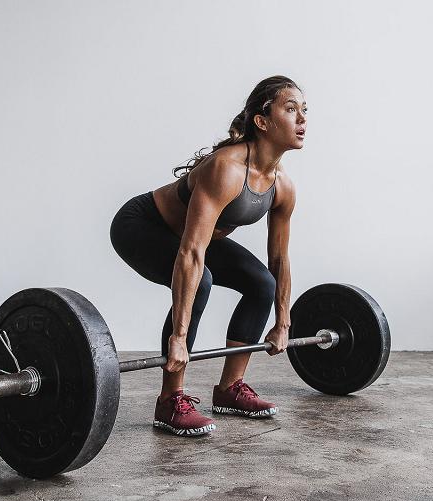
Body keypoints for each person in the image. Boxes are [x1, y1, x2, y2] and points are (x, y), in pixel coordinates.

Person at [109, 75, 307, 436]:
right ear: (262, 122)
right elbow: (191, 251)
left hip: (191, 237)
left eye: (304, 111)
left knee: (262, 282)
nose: (303, 120)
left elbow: (279, 262)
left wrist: (283, 322)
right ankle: (170, 400)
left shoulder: (283, 187)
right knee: (201, 281)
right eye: (291, 109)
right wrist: (179, 339)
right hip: (141, 226)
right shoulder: (226, 169)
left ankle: (230, 389)